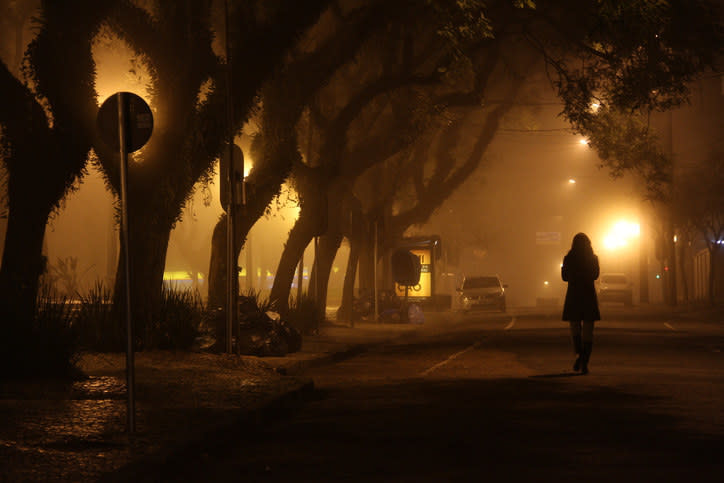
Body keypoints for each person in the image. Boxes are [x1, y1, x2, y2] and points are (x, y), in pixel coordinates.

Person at [561, 232, 601, 374]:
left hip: (574, 295)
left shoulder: (568, 258)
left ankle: (579, 355)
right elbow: (596, 275)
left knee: (575, 328)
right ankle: (585, 361)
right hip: (588, 295)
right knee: (589, 330)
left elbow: (564, 277)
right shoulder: (593, 258)